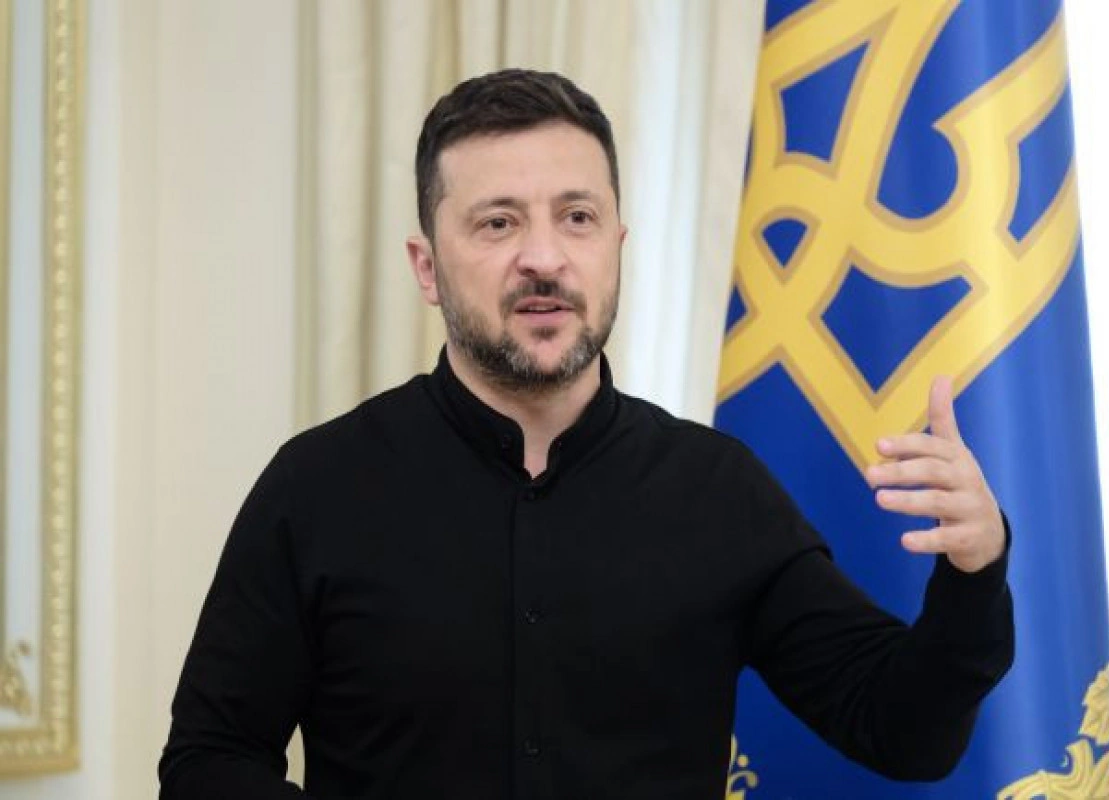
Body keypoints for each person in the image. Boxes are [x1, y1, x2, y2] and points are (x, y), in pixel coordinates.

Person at [159, 69, 1013, 800]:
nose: (545, 257)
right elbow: (208, 762)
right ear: (427, 267)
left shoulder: (718, 490)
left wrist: (975, 571)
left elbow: (905, 733)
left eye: (576, 217)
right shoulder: (317, 488)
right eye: (498, 222)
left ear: (616, 245)